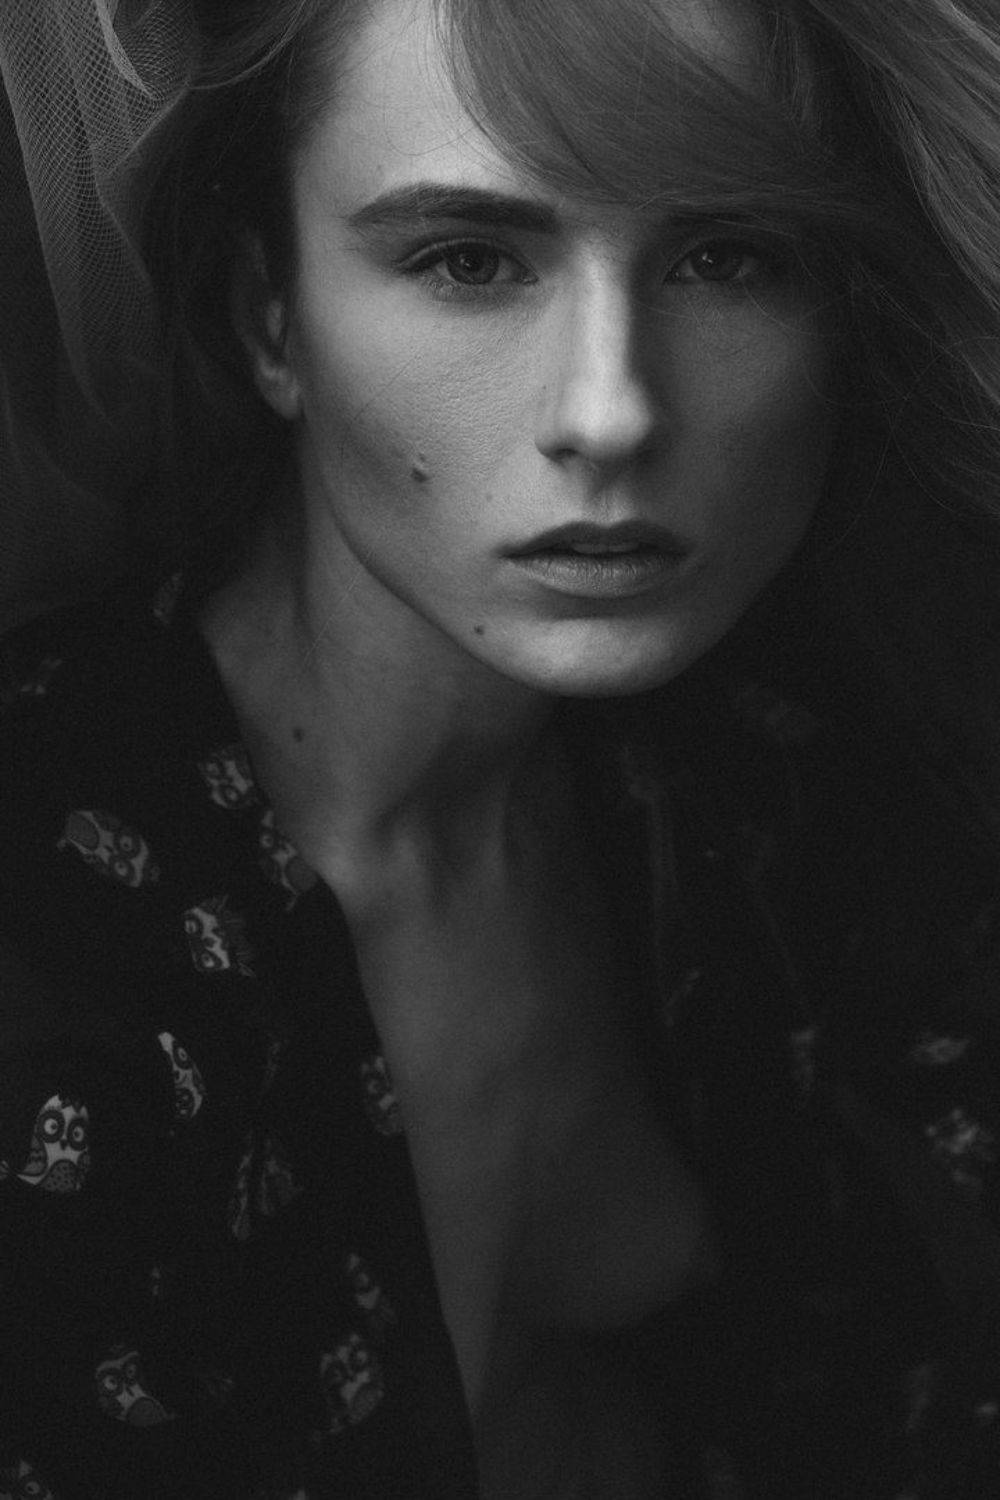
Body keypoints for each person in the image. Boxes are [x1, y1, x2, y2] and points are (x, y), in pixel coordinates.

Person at [1, 0, 1000, 1495]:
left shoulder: (802, 783)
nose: (611, 410)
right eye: (469, 259)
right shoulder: (47, 930)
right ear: (270, 317)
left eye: (730, 256)